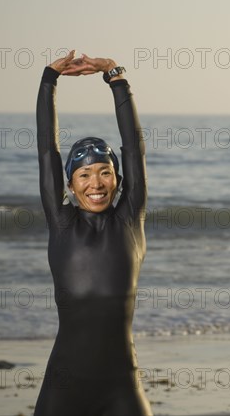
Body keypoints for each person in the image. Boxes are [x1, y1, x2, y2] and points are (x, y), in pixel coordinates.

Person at [34, 50, 152, 416]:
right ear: (69, 184)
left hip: (122, 386)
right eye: (84, 175)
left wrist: (115, 77)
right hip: (65, 385)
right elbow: (46, 150)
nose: (95, 183)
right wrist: (48, 81)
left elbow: (133, 147)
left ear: (118, 180)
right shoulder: (61, 221)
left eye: (105, 172)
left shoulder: (130, 219)